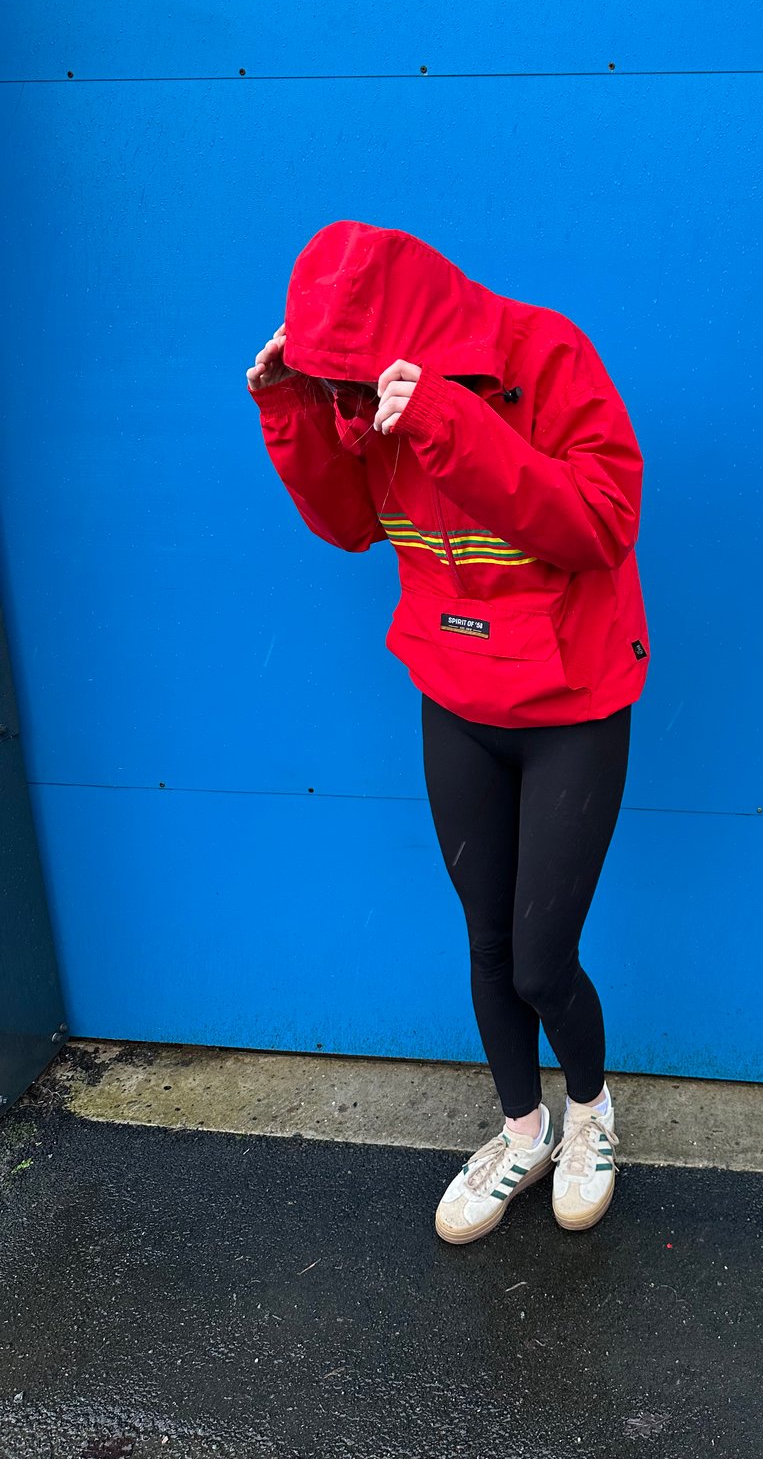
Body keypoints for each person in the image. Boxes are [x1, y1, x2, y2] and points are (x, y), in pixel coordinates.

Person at [246, 220, 650, 1243]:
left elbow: (601, 522)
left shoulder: (545, 354)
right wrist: (294, 411)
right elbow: (351, 523)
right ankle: (523, 1132)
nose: (350, 405)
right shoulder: (358, 397)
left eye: (347, 386)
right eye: (332, 386)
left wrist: (445, 420)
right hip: (457, 693)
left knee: (542, 961)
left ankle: (590, 1113)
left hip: (572, 702)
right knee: (488, 944)